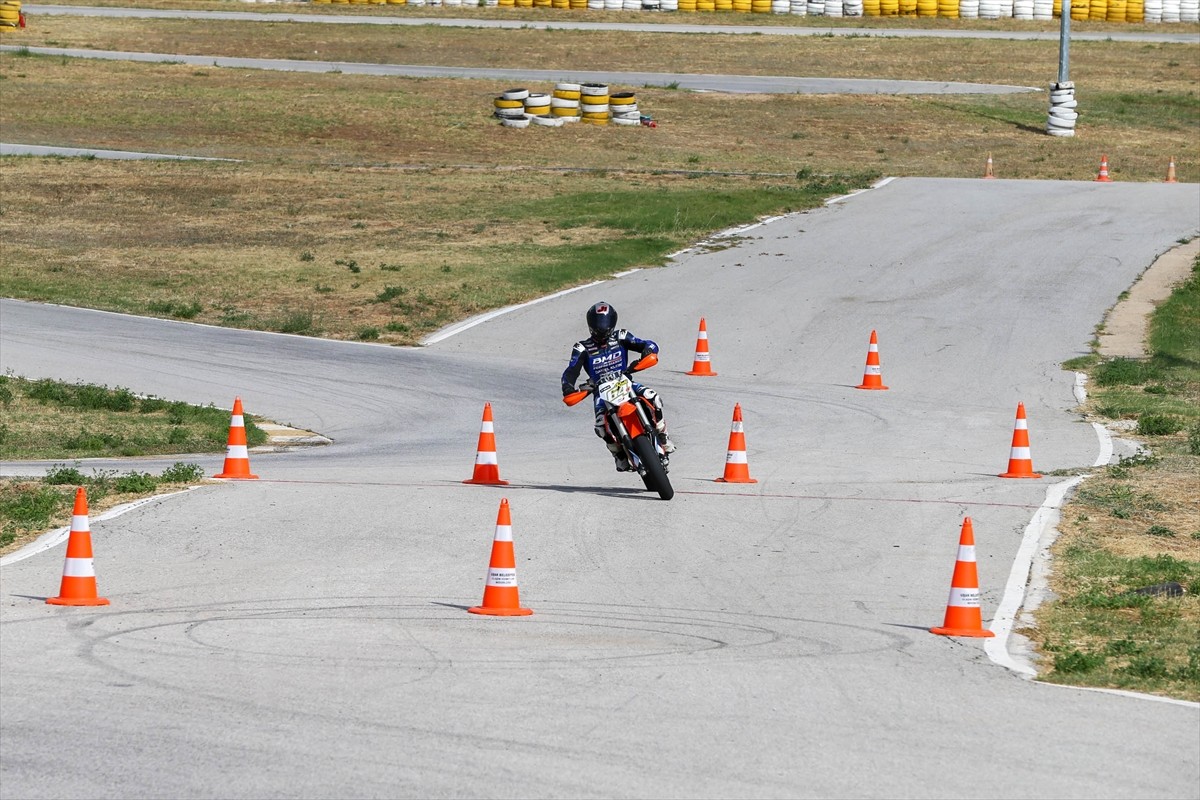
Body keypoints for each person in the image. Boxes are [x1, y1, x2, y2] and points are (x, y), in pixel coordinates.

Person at [561, 301, 675, 472]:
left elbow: (648, 344)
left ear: (612, 327)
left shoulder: (621, 336)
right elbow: (570, 371)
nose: (601, 336)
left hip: (626, 382)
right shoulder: (581, 347)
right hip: (601, 392)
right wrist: (568, 388)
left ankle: (663, 437)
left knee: (655, 399)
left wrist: (647, 352)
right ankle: (618, 454)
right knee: (600, 427)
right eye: (597, 331)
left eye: (605, 332)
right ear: (590, 327)